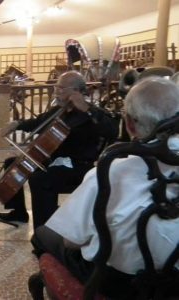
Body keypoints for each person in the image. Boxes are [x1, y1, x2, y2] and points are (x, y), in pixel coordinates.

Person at [31, 77, 179, 296]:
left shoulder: (111, 171)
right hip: (173, 279)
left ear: (129, 124)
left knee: (43, 235)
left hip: (120, 284)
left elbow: (71, 241)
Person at [0, 71, 119, 228]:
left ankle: (44, 232)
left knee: (40, 179)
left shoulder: (92, 113)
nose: (56, 92)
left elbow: (112, 130)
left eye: (61, 88)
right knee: (13, 163)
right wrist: (16, 124)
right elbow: (38, 122)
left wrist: (87, 109)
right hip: (54, 160)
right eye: (56, 87)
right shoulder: (59, 110)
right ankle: (19, 212)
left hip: (78, 167)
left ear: (76, 91)